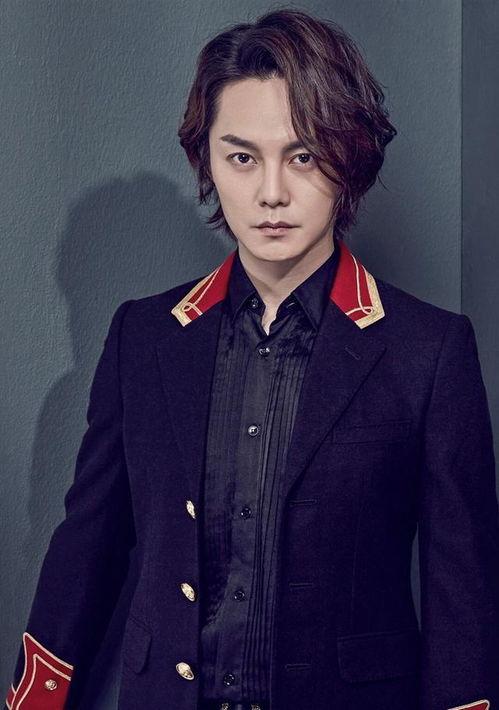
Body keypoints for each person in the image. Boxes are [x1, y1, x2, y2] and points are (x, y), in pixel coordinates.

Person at [5, 7, 499, 710]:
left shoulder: (429, 351)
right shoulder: (143, 337)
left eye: (303, 156)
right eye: (242, 157)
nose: (271, 193)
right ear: (206, 160)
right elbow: (89, 542)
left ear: (349, 157)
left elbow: (462, 595)